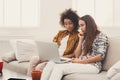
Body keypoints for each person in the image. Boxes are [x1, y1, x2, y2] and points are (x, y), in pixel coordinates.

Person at [40, 15, 109, 80]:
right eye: (80, 26)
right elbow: (77, 55)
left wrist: (82, 62)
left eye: (82, 25)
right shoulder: (86, 37)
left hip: (93, 66)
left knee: (59, 68)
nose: (81, 28)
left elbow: (100, 56)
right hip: (81, 62)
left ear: (89, 25)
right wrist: (81, 40)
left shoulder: (101, 36)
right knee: (52, 63)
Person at [27, 9, 80, 76]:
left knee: (39, 67)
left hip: (63, 58)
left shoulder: (78, 36)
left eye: (70, 23)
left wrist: (60, 57)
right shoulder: (61, 33)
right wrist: (48, 56)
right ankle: (29, 78)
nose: (68, 26)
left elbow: (74, 54)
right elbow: (52, 46)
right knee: (34, 58)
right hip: (53, 56)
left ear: (75, 23)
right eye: (66, 24)